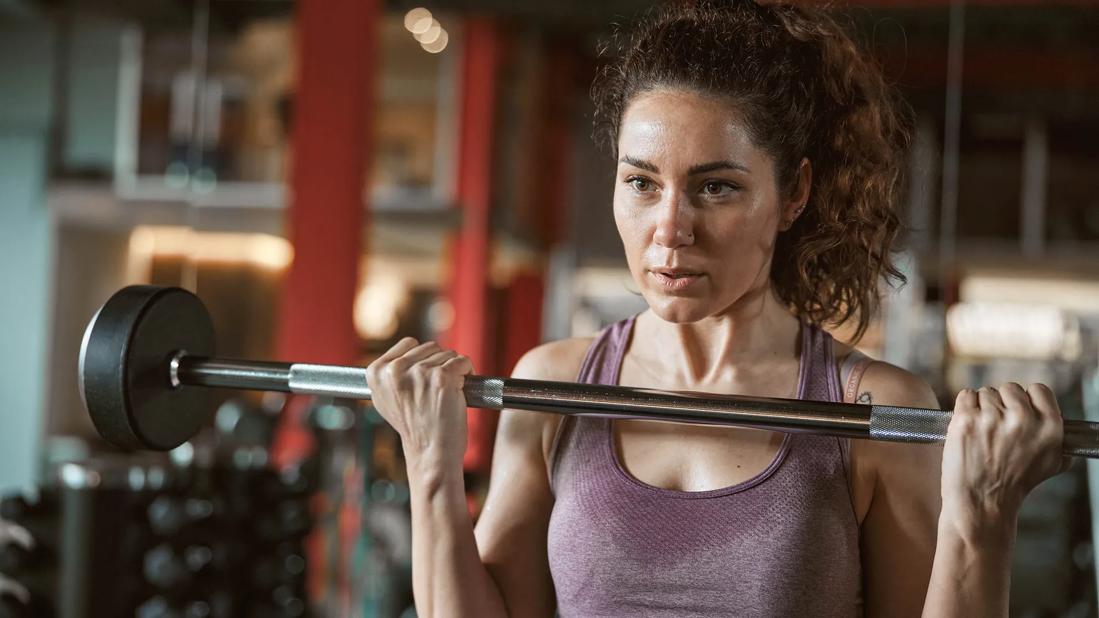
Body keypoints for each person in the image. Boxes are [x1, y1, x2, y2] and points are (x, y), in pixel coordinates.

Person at [365, 1, 1070, 616]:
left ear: (793, 193)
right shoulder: (553, 387)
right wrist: (429, 464)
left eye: (715, 188)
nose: (669, 230)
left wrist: (983, 515)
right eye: (641, 182)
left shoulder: (871, 410)